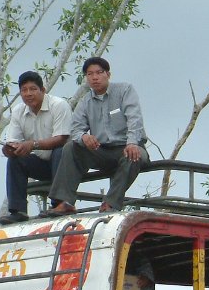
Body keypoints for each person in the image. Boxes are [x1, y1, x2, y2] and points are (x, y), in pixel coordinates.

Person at [41, 56, 149, 217]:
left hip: (128, 148)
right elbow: (75, 129)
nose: (95, 77)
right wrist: (84, 137)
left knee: (135, 154)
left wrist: (132, 142)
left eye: (99, 72)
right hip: (101, 150)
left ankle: (111, 203)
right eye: (90, 74)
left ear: (108, 74)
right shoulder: (85, 101)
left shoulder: (124, 90)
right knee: (71, 147)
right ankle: (64, 202)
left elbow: (135, 118)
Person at [0, 71, 72, 225]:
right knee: (15, 160)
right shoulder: (18, 111)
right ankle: (18, 211)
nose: (28, 94)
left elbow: (63, 138)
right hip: (42, 164)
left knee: (62, 149)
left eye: (33, 89)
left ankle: (60, 204)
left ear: (43, 90)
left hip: (66, 164)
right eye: (24, 90)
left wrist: (33, 144)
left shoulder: (58, 105)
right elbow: (13, 140)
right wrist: (10, 149)